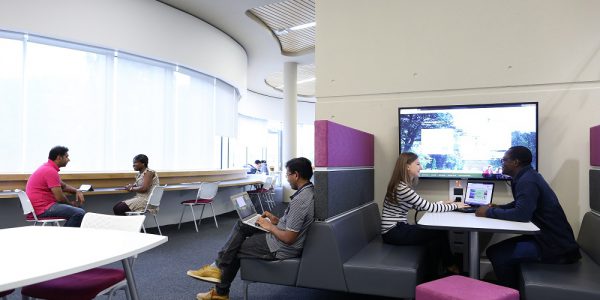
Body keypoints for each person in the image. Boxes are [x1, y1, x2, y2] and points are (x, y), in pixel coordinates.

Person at [187, 157, 315, 300]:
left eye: (288, 175)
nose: (287, 178)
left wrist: (270, 226)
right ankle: (217, 271)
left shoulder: (300, 201)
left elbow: (289, 238)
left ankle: (219, 286)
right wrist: (275, 221)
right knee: (243, 224)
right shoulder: (308, 192)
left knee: (235, 246)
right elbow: (293, 224)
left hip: (280, 247)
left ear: (296, 175)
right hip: (281, 239)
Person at [475, 146, 580, 288]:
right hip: (547, 239)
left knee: (497, 254)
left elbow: (521, 214)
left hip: (556, 247)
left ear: (515, 162)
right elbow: (521, 205)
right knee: (494, 251)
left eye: (504, 160)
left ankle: (512, 295)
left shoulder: (527, 181)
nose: (502, 163)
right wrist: (499, 207)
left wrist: (488, 212)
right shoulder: (528, 176)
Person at [381, 152, 469, 278]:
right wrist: (456, 205)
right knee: (438, 232)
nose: (421, 167)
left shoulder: (401, 185)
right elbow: (428, 207)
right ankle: (449, 266)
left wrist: (443, 203)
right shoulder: (402, 188)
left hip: (396, 229)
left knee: (435, 236)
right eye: (417, 164)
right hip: (394, 232)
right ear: (407, 166)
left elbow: (419, 206)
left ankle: (439, 271)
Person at [25, 146, 86, 227]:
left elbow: (63, 186)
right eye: (66, 156)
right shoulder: (50, 171)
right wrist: (71, 204)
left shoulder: (47, 168)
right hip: (43, 209)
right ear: (59, 157)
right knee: (79, 213)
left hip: (38, 209)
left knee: (78, 211)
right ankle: (64, 238)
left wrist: (76, 190)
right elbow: (60, 198)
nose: (68, 159)